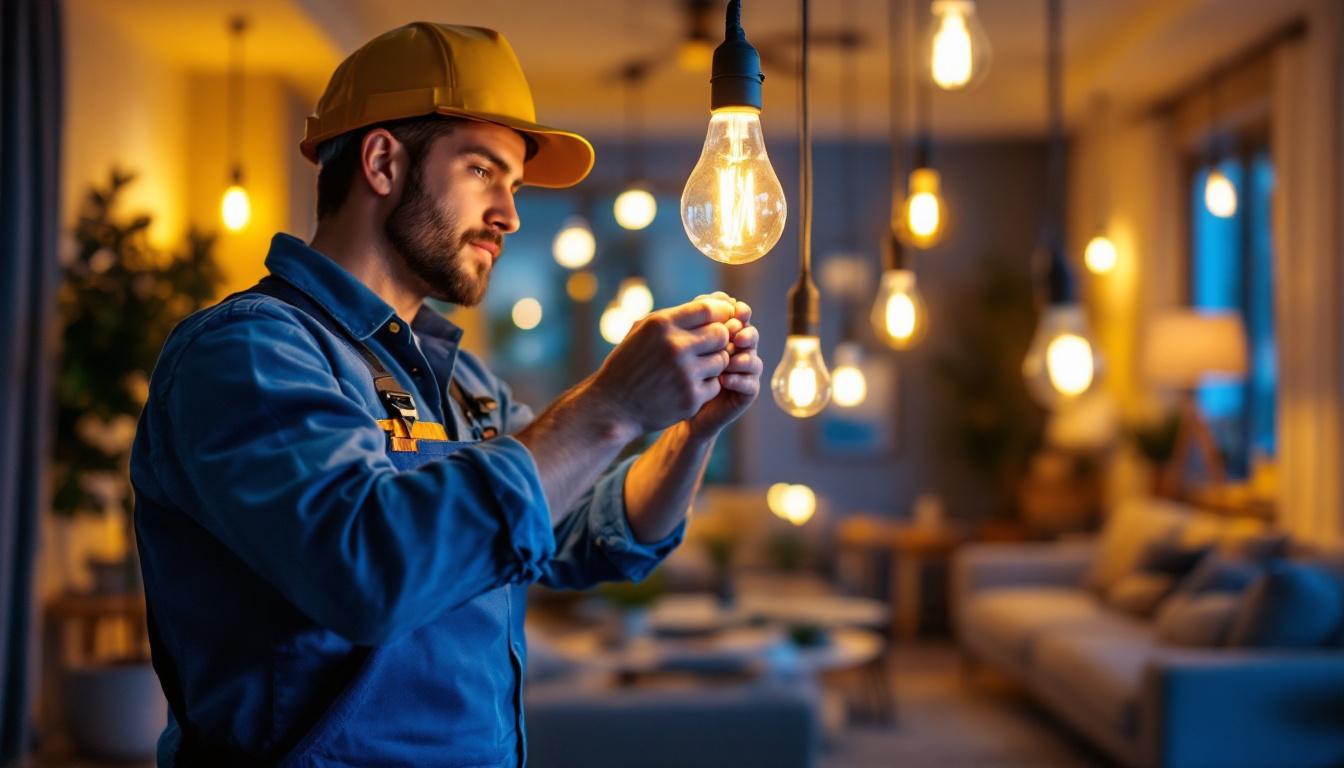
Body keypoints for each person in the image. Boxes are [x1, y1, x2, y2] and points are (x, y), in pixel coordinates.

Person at [129, 22, 762, 767]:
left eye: (516, 186)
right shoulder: (249, 353)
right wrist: (612, 406)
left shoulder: (461, 383)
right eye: (482, 171)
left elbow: (591, 537)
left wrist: (692, 429)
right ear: (382, 161)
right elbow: (368, 568)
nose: (510, 215)